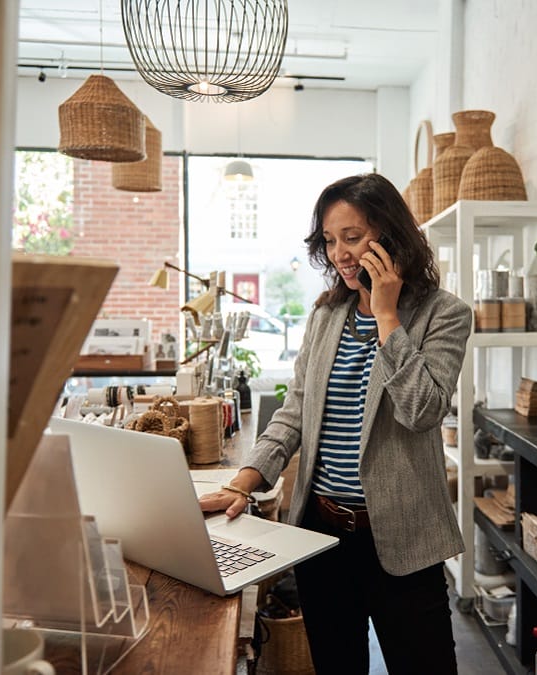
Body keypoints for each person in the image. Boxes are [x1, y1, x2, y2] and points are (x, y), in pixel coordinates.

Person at [199, 173, 471, 674]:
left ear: (390, 236)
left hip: (405, 541)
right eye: (329, 240)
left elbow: (423, 410)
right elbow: (295, 412)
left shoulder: (443, 314)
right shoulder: (326, 317)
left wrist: (387, 317)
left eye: (352, 237)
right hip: (322, 538)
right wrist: (246, 479)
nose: (340, 253)